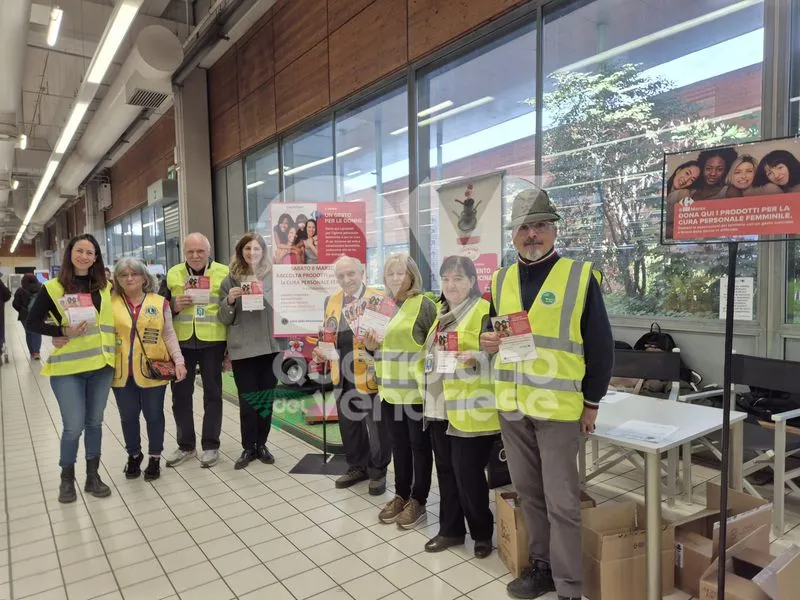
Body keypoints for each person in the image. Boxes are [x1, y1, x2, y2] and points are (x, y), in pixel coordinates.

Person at [480, 188, 613, 600]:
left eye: (540, 225)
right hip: (513, 406)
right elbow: (493, 332)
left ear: (554, 229)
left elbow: (601, 348)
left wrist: (591, 403)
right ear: (513, 234)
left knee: (562, 502)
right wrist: (487, 341)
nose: (531, 234)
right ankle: (542, 567)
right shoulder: (501, 280)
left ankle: (570, 587)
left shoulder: (579, 276)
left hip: (559, 410)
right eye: (524, 227)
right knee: (528, 494)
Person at [416, 255, 499, 559]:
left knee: (469, 475)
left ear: (473, 281)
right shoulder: (441, 314)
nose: (451, 284)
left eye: (458, 278)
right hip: (439, 406)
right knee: (447, 472)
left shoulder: (483, 311)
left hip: (470, 408)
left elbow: (500, 355)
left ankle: (481, 533)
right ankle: (450, 530)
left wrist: (476, 357)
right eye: (446, 278)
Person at [26, 234, 117, 503]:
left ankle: (92, 476)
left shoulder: (104, 287)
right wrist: (60, 330)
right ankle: (67, 479)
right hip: (68, 369)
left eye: (90, 252)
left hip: (101, 365)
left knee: (95, 422)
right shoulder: (53, 288)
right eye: (80, 251)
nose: (85, 256)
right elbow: (32, 322)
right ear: (70, 254)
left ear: (96, 258)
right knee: (73, 426)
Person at [363, 254, 436, 529]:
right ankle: (401, 494)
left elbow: (435, 347)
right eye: (390, 273)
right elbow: (374, 348)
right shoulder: (381, 306)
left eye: (400, 273)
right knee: (399, 448)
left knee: (419, 448)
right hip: (390, 393)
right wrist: (370, 347)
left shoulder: (425, 305)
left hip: (416, 394)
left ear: (412, 275)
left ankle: (418, 500)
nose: (395, 278)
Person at [311, 256, 391, 495]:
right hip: (340, 372)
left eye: (351, 274)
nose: (346, 280)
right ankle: (358, 465)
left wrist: (375, 344)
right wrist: (320, 349)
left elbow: (387, 340)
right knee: (349, 424)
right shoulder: (331, 300)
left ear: (362, 272)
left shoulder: (378, 299)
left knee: (376, 428)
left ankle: (378, 471)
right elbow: (328, 333)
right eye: (341, 276)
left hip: (369, 374)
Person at [111, 258, 187, 481]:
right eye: (123, 275)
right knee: (128, 417)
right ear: (117, 279)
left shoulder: (159, 302)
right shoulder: (110, 302)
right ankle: (134, 455)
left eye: (134, 273)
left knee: (154, 415)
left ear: (145, 277)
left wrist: (179, 361)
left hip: (153, 371)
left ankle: (155, 457)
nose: (129, 278)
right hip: (122, 373)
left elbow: (169, 335)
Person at [160, 233, 229, 468]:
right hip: (182, 344)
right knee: (180, 397)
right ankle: (186, 446)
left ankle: (210, 445)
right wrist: (173, 307)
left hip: (213, 342)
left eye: (200, 251)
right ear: (184, 253)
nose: (196, 256)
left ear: (208, 251)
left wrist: (229, 350)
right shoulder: (173, 273)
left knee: (213, 395)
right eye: (190, 252)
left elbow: (231, 310)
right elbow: (158, 307)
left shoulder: (223, 272)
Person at [218, 232, 282, 469]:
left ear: (263, 251)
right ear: (240, 251)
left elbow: (285, 308)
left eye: (256, 249)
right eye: (247, 249)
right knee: (248, 401)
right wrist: (230, 301)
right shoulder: (230, 280)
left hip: (270, 348)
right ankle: (248, 447)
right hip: (243, 349)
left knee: (265, 400)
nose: (252, 253)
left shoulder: (273, 277)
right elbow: (223, 317)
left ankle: (262, 444)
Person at [664, 160, 700, 239]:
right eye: (687, 173)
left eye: (692, 180)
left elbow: (687, 223)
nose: (686, 179)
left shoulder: (684, 193)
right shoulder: (663, 190)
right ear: (678, 170)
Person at [13, 273, 42, 359]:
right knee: (37, 333)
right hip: (38, 314)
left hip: (25, 315)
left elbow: (15, 304)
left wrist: (21, 310)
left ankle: (32, 353)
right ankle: (37, 352)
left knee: (29, 333)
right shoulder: (41, 288)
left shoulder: (20, 290)